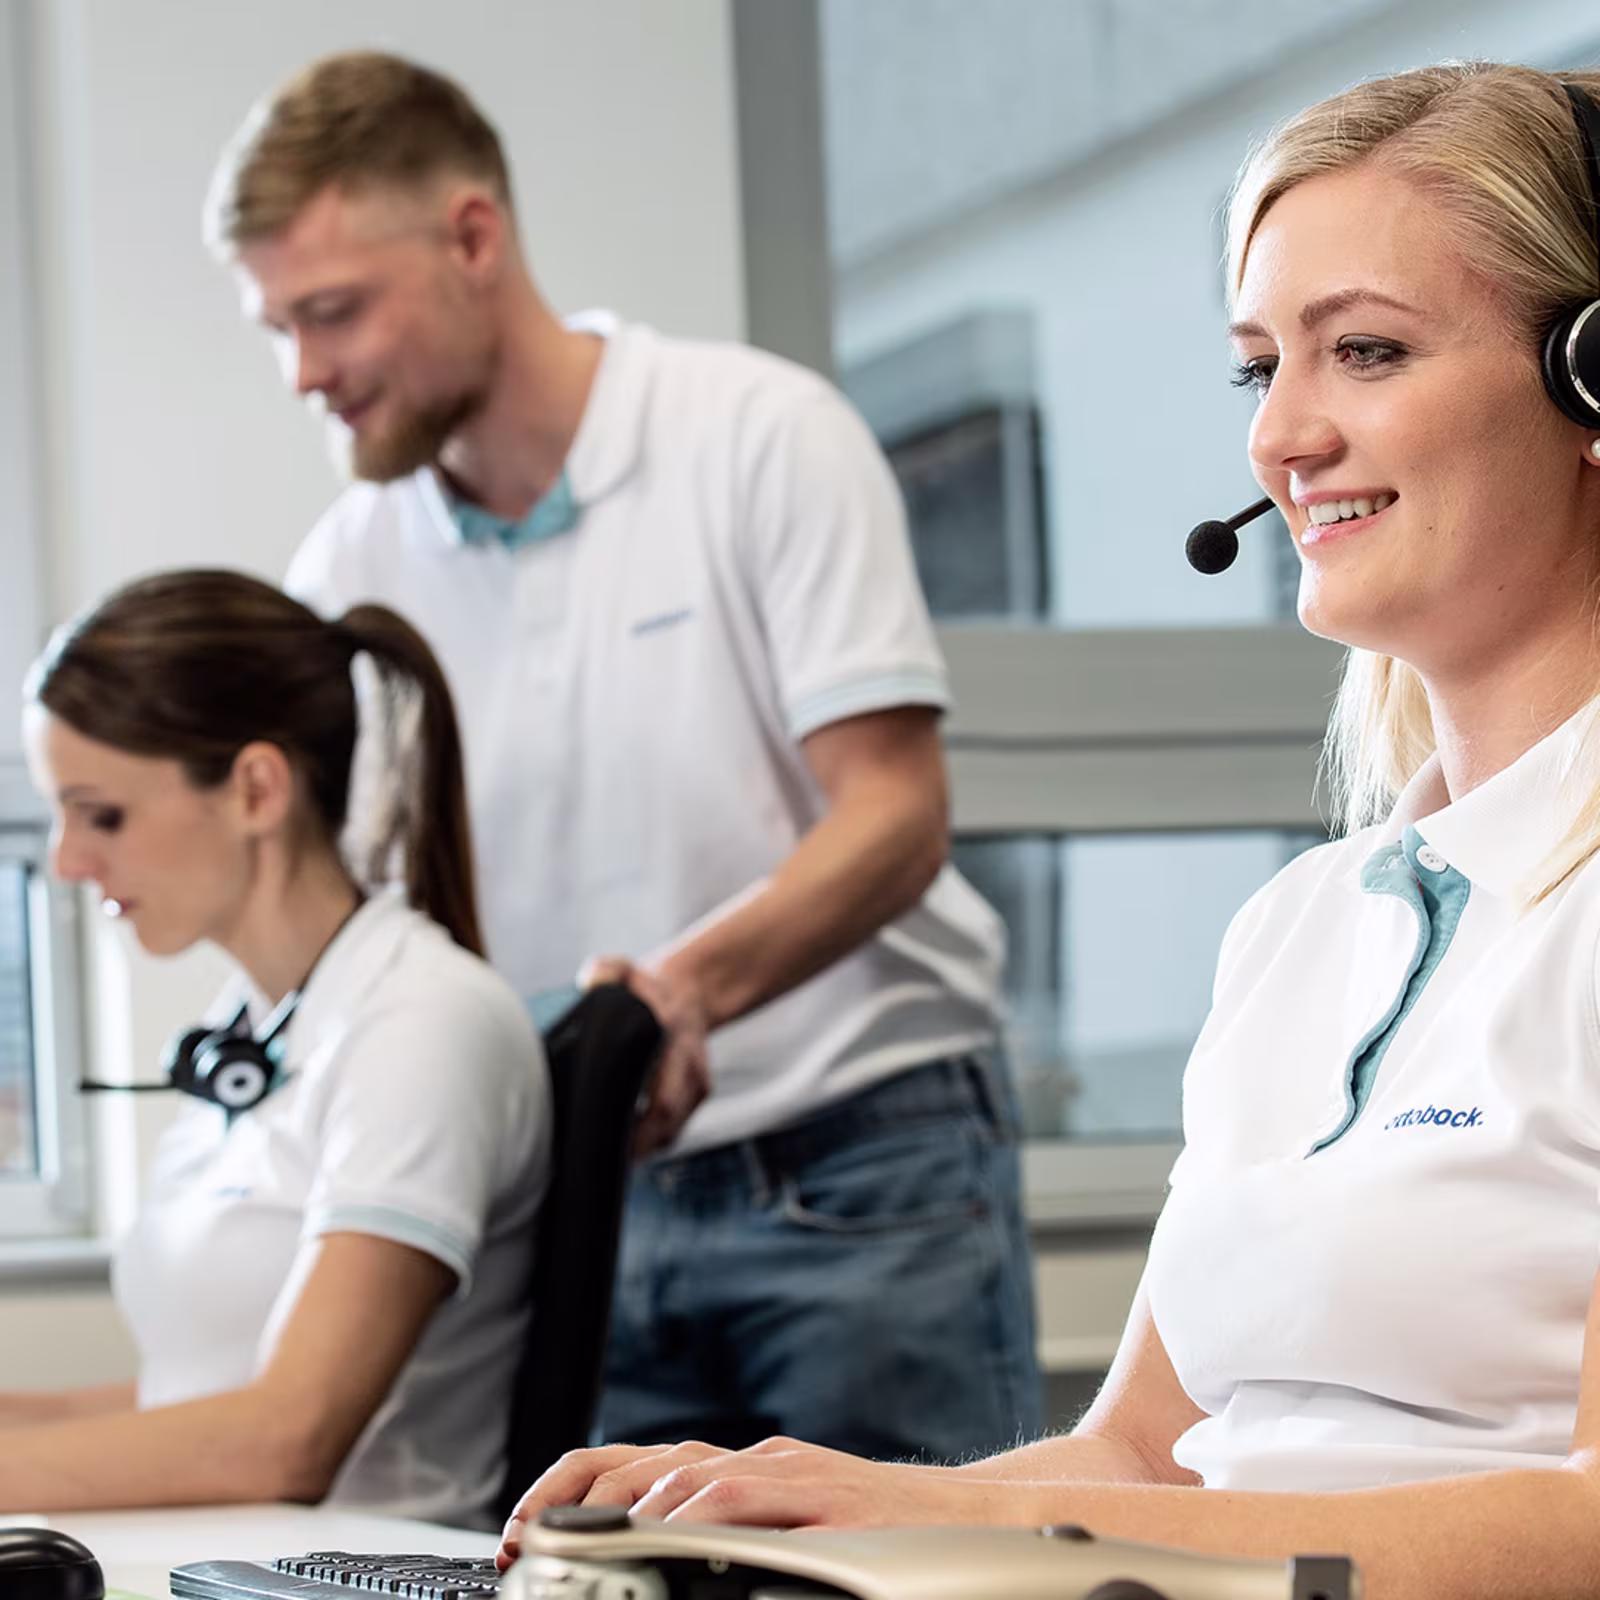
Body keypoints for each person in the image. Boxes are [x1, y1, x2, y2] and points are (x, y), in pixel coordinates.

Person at [498, 60, 1600, 1600]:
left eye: (1364, 351)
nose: (1281, 436)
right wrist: (822, 1504)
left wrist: (1009, 1535)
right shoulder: (1302, 929)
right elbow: (1144, 1455)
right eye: (1257, 367)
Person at [204, 51, 1042, 1461]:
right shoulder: (350, 561)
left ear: (475, 238)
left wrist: (682, 992)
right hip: (573, 1191)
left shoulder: (760, 436)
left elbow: (896, 815)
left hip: (857, 1165)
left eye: (334, 313)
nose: (308, 374)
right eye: (277, 327)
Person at [7, 569, 549, 1529]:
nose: (65, 862)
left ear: (256, 788)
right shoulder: (259, 1023)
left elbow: (284, 1440)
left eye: (103, 814)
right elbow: (181, 1403)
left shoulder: (420, 1021)